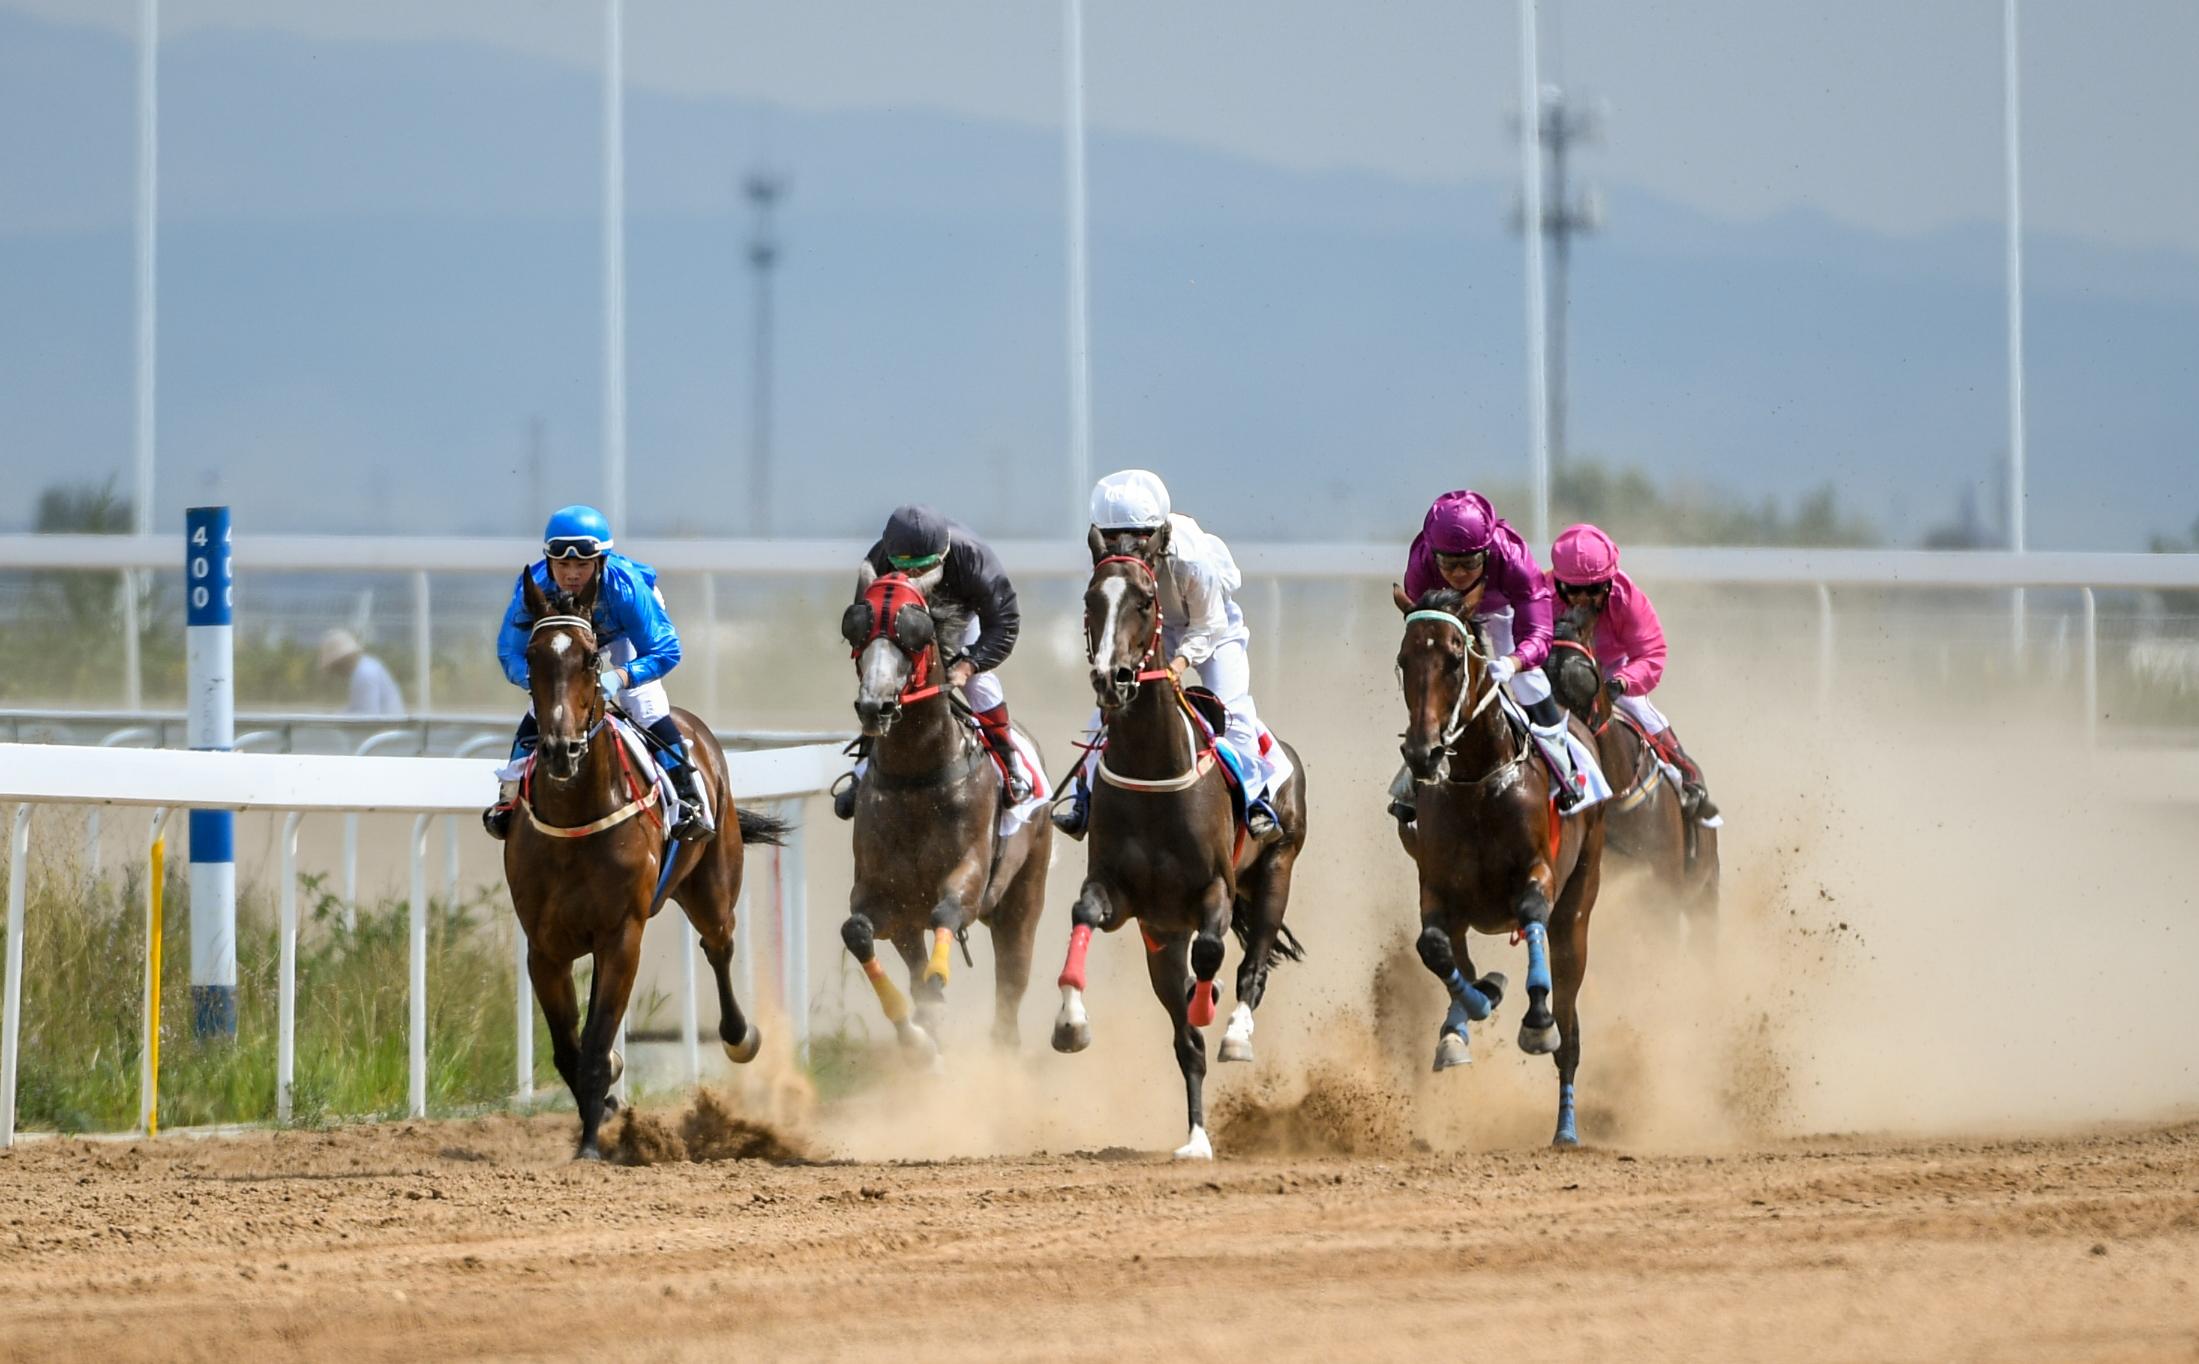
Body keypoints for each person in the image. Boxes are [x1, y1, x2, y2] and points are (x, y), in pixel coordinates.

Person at [1053, 468, 1284, 844]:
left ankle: (1256, 800)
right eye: (1112, 537)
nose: (1124, 545)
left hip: (1209, 629)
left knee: (1233, 710)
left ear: (1158, 534)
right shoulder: (1101, 563)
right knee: (1103, 714)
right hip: (1147, 629)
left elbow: (1208, 624)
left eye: (1137, 536)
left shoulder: (1190, 559)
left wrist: (1177, 666)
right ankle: (1085, 800)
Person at [482, 505, 713, 842]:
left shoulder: (627, 589)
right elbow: (509, 652)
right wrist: (542, 683)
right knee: (543, 709)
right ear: (550, 562)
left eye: (582, 565)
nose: (572, 574)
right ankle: (509, 795)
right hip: (567, 642)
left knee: (643, 704)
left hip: (624, 635)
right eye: (563, 564)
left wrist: (618, 677)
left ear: (600, 562)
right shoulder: (532, 589)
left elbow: (666, 650)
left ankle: (690, 799)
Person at [1394, 488, 1583, 821]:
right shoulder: (1421, 562)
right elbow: (1421, 630)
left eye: (1470, 563)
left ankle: (1563, 766)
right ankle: (1415, 770)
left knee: (1528, 682)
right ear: (1433, 554)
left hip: (1503, 612)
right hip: (1447, 617)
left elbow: (1538, 632)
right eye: (1448, 564)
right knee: (1433, 678)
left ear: (1487, 552)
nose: (1459, 574)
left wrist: (1512, 662)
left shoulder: (1514, 559)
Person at [832, 503, 1030, 818]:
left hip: (960, 616)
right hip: (900, 627)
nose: (912, 576)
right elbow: (866, 624)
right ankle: (861, 773)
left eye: (922, 569)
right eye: (904, 568)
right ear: (890, 555)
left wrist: (968, 665)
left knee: (982, 686)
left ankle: (1010, 767)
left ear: (942, 556)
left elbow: (1004, 624)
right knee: (880, 686)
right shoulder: (879, 558)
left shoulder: (973, 558)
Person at [1547, 523, 1719, 820]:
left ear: (1608, 583)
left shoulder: (1627, 598)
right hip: (1555, 673)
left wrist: (1621, 684)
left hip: (1612, 674)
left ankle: (1687, 778)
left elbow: (1651, 653)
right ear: (1559, 583)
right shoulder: (1542, 595)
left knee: (1639, 709)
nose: (1583, 599)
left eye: (1594, 589)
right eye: (1574, 590)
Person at [317, 628, 404, 716]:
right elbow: (357, 707)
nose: (337, 673)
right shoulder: (364, 667)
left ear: (341, 661)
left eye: (335, 667)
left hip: (387, 728)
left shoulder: (365, 674)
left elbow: (367, 715)